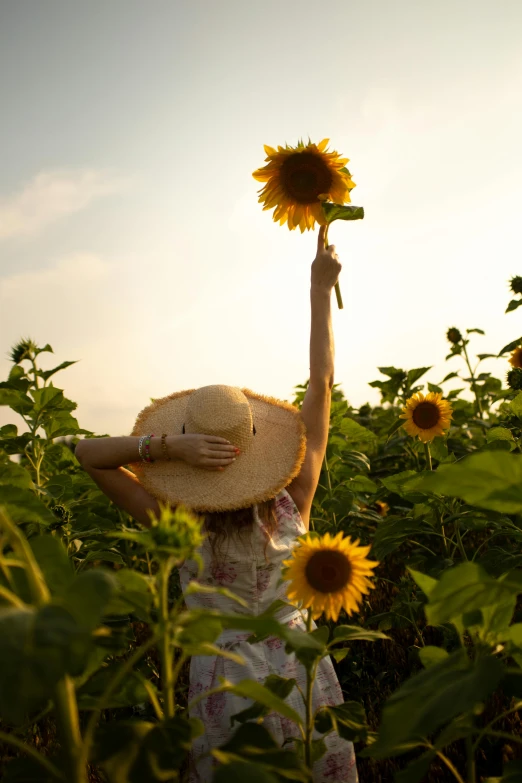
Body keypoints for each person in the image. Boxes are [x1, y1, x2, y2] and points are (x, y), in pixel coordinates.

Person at [75, 224, 358, 782]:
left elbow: (88, 455)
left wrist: (164, 447)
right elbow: (322, 384)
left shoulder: (175, 521)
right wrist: (319, 290)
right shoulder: (293, 503)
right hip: (300, 674)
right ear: (260, 443)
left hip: (221, 683)